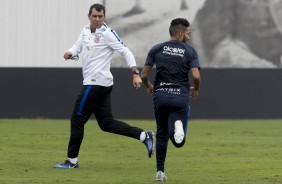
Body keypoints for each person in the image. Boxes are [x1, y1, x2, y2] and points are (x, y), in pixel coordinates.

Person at [53, 3, 154, 169]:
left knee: (77, 120)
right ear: (89, 16)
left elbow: (125, 51)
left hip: (95, 84)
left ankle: (72, 161)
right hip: (102, 85)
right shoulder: (85, 31)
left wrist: (135, 73)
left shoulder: (107, 33)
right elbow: (77, 47)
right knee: (106, 123)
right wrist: (70, 52)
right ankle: (143, 135)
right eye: (94, 16)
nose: (97, 19)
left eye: (100, 16)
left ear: (104, 17)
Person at [140, 18, 201, 181]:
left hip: (160, 96)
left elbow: (144, 74)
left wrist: (148, 86)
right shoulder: (190, 51)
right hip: (180, 96)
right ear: (180, 33)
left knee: (161, 134)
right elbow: (195, 75)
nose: (189, 37)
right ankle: (178, 126)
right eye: (188, 34)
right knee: (178, 142)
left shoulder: (157, 49)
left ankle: (160, 172)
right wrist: (196, 89)